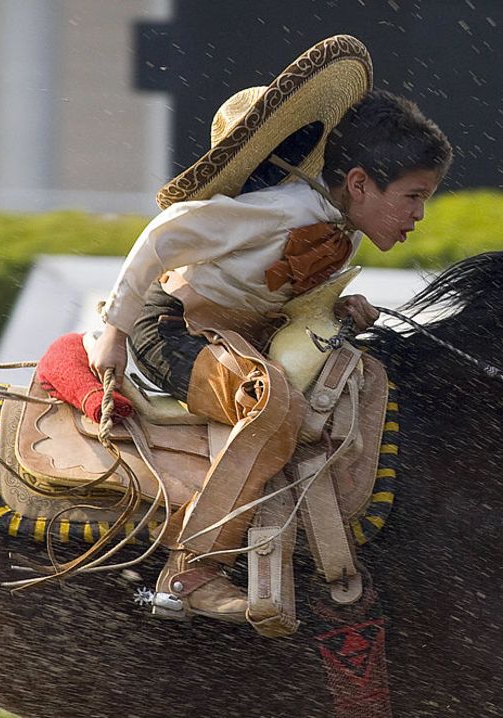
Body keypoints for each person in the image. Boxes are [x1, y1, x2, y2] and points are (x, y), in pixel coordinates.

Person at [87, 35, 452, 624]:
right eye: (413, 197)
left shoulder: (344, 227)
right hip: (172, 331)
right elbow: (163, 235)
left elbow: (282, 293)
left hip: (239, 339)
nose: (419, 214)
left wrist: (338, 305)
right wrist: (115, 329)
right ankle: (190, 573)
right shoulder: (284, 210)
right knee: (273, 408)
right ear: (359, 184)